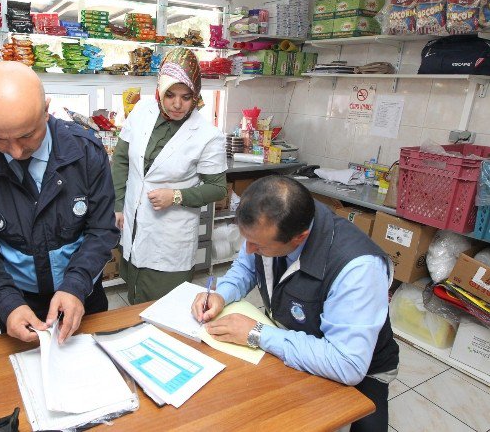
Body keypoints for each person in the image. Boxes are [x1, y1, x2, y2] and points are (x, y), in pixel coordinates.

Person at [192, 176, 399, 432]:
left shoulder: (358, 269)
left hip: (362, 371)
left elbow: (348, 364)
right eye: (247, 239)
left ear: (299, 238)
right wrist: (221, 294)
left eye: (259, 245)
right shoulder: (275, 227)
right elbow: (246, 266)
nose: (249, 249)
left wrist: (257, 333)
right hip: (294, 340)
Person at [0, 61, 119, 344]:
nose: (15, 151)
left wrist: (75, 286)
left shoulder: (85, 152)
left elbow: (101, 231)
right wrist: (7, 303)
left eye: (27, 135)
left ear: (46, 109)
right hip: (18, 301)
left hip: (83, 291)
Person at [112, 48, 227, 304]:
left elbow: (217, 189)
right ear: (160, 90)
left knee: (162, 305)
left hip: (169, 236)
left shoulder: (207, 135)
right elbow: (121, 159)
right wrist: (118, 204)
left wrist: (176, 196)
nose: (177, 104)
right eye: (170, 95)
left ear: (196, 94)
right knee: (133, 295)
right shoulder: (142, 110)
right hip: (134, 224)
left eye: (186, 97)